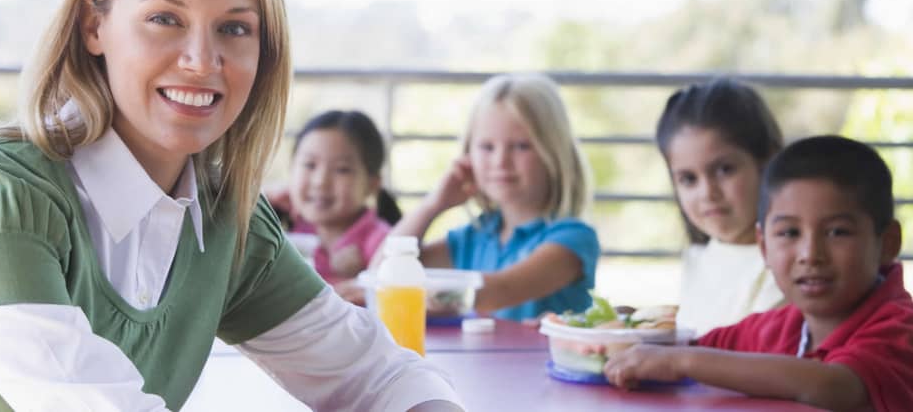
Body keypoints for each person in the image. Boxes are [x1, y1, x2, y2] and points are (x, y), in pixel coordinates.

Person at [0, 0, 463, 411]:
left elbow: (376, 374)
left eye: (234, 28)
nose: (201, 60)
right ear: (94, 26)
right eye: (165, 18)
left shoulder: (226, 222)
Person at [604, 135, 913, 411]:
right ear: (764, 247)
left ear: (887, 243)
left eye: (837, 232)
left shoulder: (899, 327)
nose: (810, 255)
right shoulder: (776, 327)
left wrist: (681, 362)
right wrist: (634, 332)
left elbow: (833, 386)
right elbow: (690, 349)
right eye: (790, 232)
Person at [382, 73, 600, 322]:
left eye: (521, 146)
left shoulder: (573, 239)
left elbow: (500, 290)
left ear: (554, 152)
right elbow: (385, 269)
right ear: (468, 155)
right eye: (487, 147)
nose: (501, 162)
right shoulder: (472, 238)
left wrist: (405, 291)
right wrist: (434, 205)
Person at [656, 77, 785, 334]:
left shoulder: (787, 265)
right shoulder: (700, 256)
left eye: (725, 170)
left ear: (767, 161)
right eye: (688, 179)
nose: (707, 193)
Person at [269, 110, 400, 286]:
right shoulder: (280, 227)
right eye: (310, 165)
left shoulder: (380, 242)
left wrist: (361, 278)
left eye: (342, 169)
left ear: (371, 185)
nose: (320, 182)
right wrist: (260, 202)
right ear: (292, 170)